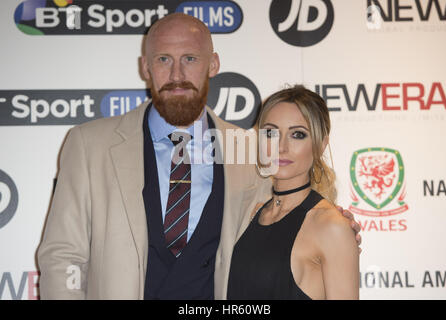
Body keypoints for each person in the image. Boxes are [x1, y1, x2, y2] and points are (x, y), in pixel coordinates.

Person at [37, 13, 360, 300]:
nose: (177, 74)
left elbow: (286, 220)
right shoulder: (89, 144)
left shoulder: (250, 150)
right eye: (163, 59)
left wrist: (336, 232)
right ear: (145, 67)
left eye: (190, 58)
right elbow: (62, 256)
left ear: (214, 64)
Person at [227, 85, 360, 300]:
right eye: (271, 133)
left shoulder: (331, 226)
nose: (282, 146)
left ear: (321, 144)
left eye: (298, 134)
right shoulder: (253, 214)